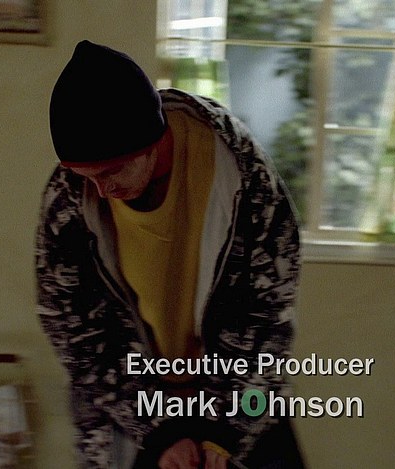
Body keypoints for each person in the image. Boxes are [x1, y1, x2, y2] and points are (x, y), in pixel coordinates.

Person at [35, 40, 303, 469]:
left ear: (155, 142)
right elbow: (75, 333)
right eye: (87, 177)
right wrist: (160, 430)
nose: (102, 191)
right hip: (128, 404)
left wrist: (226, 430)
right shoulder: (68, 199)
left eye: (112, 172)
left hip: (235, 392)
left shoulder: (241, 175)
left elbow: (267, 312)